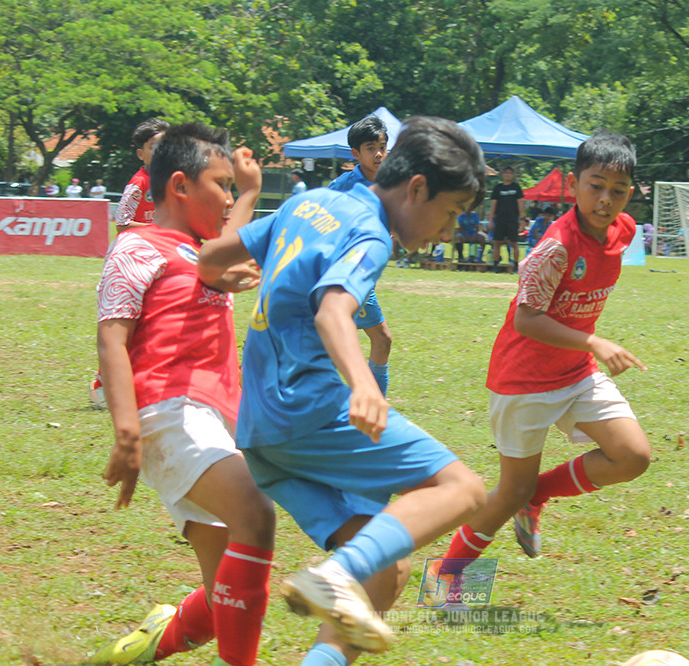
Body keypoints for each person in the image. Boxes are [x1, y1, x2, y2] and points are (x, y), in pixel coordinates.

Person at [197, 116, 488, 665]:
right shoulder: (371, 233)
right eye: (450, 212)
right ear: (417, 188)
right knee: (464, 488)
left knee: (388, 569)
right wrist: (363, 385)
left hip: (259, 433)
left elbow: (212, 257)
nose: (448, 231)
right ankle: (335, 573)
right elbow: (335, 310)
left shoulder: (309, 205)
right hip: (310, 412)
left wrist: (224, 282)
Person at [90, 124, 275, 666]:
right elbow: (111, 339)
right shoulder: (136, 247)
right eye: (218, 186)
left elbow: (222, 244)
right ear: (179, 186)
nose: (225, 200)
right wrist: (127, 432)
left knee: (227, 596)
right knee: (256, 517)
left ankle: (147, 647)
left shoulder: (199, 251)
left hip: (217, 420)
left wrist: (247, 194)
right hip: (170, 414)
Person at [437, 130, 650, 590]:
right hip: (523, 380)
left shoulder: (625, 231)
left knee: (633, 456)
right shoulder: (555, 247)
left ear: (630, 194)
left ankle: (536, 496)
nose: (605, 199)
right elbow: (527, 320)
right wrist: (593, 342)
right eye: (595, 185)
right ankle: (446, 587)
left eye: (617, 190)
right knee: (507, 490)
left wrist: (585, 349)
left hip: (574, 373)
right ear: (572, 186)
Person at [327, 115, 393, 397]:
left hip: (364, 275)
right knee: (378, 338)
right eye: (370, 148)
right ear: (355, 153)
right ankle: (372, 403)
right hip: (344, 273)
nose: (378, 153)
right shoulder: (343, 185)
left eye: (382, 146)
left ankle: (369, 401)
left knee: (380, 340)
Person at [115, 118, 170, 231]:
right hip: (135, 246)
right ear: (140, 154)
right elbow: (122, 224)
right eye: (153, 147)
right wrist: (158, 229)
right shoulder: (139, 183)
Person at [489, 166, 526, 272]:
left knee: (514, 243)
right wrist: (491, 219)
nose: (508, 175)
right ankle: (495, 264)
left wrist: (522, 219)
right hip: (500, 219)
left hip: (512, 220)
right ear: (502, 175)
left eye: (510, 173)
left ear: (513, 175)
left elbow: (520, 203)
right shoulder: (497, 188)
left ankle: (515, 264)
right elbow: (493, 205)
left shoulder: (516, 187)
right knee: (497, 243)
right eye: (506, 173)